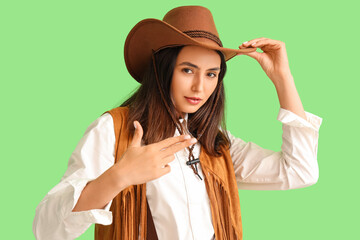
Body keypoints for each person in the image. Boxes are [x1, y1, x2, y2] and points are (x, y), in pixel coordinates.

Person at [32, 5, 323, 240]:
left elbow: (300, 171)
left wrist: (283, 79)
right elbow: (46, 230)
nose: (200, 87)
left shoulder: (215, 143)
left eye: (211, 74)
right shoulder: (114, 130)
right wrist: (118, 176)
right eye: (188, 70)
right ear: (163, 69)